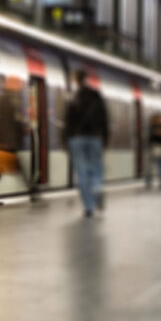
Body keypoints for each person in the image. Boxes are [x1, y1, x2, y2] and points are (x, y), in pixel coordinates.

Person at [63, 70, 108, 218]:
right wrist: (105, 139)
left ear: (76, 80)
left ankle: (89, 207)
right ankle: (96, 188)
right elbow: (104, 118)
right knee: (96, 169)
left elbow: (67, 120)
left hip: (76, 138)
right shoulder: (96, 96)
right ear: (86, 79)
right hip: (94, 137)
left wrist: (65, 140)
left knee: (81, 172)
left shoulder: (73, 97)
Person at [0, 76, 29, 205]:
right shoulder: (11, 100)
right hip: (6, 142)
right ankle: (32, 190)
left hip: (3, 141)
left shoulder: (5, 99)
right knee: (2, 170)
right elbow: (13, 120)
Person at [145, 112, 161, 190]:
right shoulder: (155, 127)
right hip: (156, 148)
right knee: (155, 167)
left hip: (158, 148)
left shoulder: (160, 127)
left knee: (159, 167)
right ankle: (158, 182)